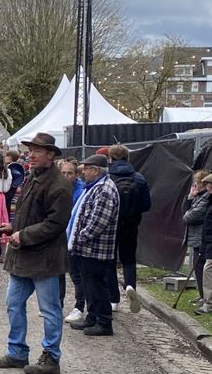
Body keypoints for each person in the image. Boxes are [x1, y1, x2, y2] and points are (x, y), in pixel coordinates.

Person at [0, 132, 71, 374]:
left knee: (49, 309)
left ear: (50, 155)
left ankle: (51, 358)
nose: (31, 154)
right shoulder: (32, 177)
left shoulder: (59, 185)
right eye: (31, 149)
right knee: (13, 303)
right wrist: (13, 227)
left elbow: (55, 224)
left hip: (45, 258)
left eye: (37, 150)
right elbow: (32, 214)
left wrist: (23, 235)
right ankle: (17, 353)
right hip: (24, 256)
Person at [67, 154, 120, 336]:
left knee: (97, 286)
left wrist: (79, 237)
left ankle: (104, 322)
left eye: (86, 170)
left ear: (95, 170)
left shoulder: (104, 190)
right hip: (87, 248)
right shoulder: (95, 187)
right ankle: (92, 317)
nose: (83, 173)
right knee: (89, 285)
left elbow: (98, 222)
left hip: (95, 249)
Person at [105, 144, 151, 313]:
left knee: (109, 261)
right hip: (131, 224)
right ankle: (130, 285)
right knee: (129, 259)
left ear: (110, 158)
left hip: (110, 225)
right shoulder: (139, 178)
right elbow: (147, 204)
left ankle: (113, 299)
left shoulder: (107, 178)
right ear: (127, 157)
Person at [61, 161, 87, 324]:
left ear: (76, 175)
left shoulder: (80, 191)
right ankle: (58, 303)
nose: (66, 176)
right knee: (59, 273)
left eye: (69, 173)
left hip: (74, 237)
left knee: (76, 274)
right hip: (60, 236)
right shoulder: (59, 187)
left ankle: (80, 307)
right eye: (63, 173)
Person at [184, 170, 211, 305]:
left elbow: (191, 216)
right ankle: (202, 295)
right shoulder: (198, 197)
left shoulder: (206, 198)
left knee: (202, 267)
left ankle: (205, 297)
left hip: (201, 238)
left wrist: (188, 213)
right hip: (196, 237)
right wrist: (189, 197)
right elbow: (185, 212)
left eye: (197, 182)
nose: (195, 185)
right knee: (198, 268)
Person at [195, 174, 212, 314]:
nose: (208, 186)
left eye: (210, 184)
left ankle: (209, 303)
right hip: (208, 242)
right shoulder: (209, 200)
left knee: (208, 270)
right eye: (207, 184)